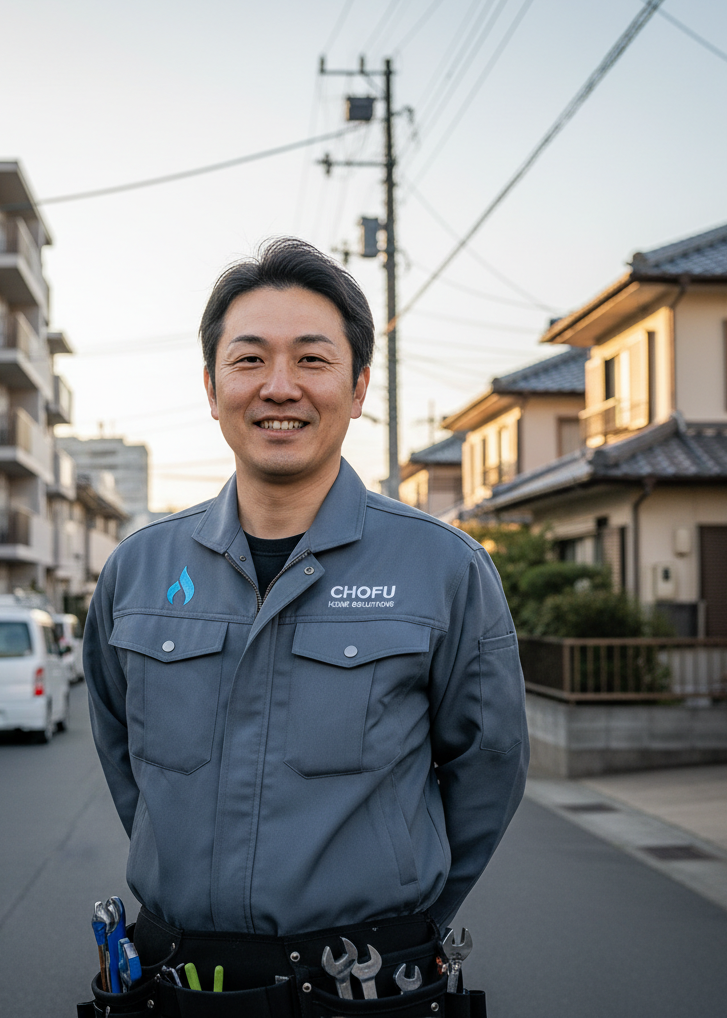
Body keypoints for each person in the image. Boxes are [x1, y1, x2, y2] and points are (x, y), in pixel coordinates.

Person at [82, 238, 528, 1015]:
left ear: (357, 389)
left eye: (312, 361)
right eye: (249, 360)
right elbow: (132, 767)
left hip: (369, 985)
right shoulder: (137, 570)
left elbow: (488, 767)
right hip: (171, 981)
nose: (279, 387)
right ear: (212, 386)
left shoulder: (444, 567)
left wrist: (409, 922)